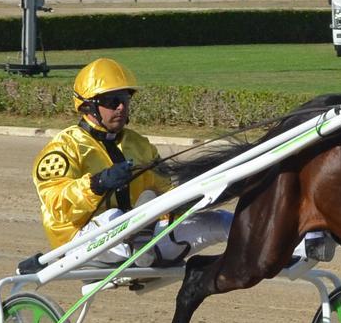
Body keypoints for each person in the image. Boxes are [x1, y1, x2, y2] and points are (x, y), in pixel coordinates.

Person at [32, 57, 230, 269]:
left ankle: (141, 244)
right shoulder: (64, 147)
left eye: (124, 100)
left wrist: (197, 197)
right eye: (111, 101)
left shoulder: (138, 144)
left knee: (222, 221)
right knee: (113, 217)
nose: (120, 107)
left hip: (138, 234)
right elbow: (55, 203)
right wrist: (97, 183)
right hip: (80, 242)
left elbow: (166, 190)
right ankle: (138, 243)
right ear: (88, 106)